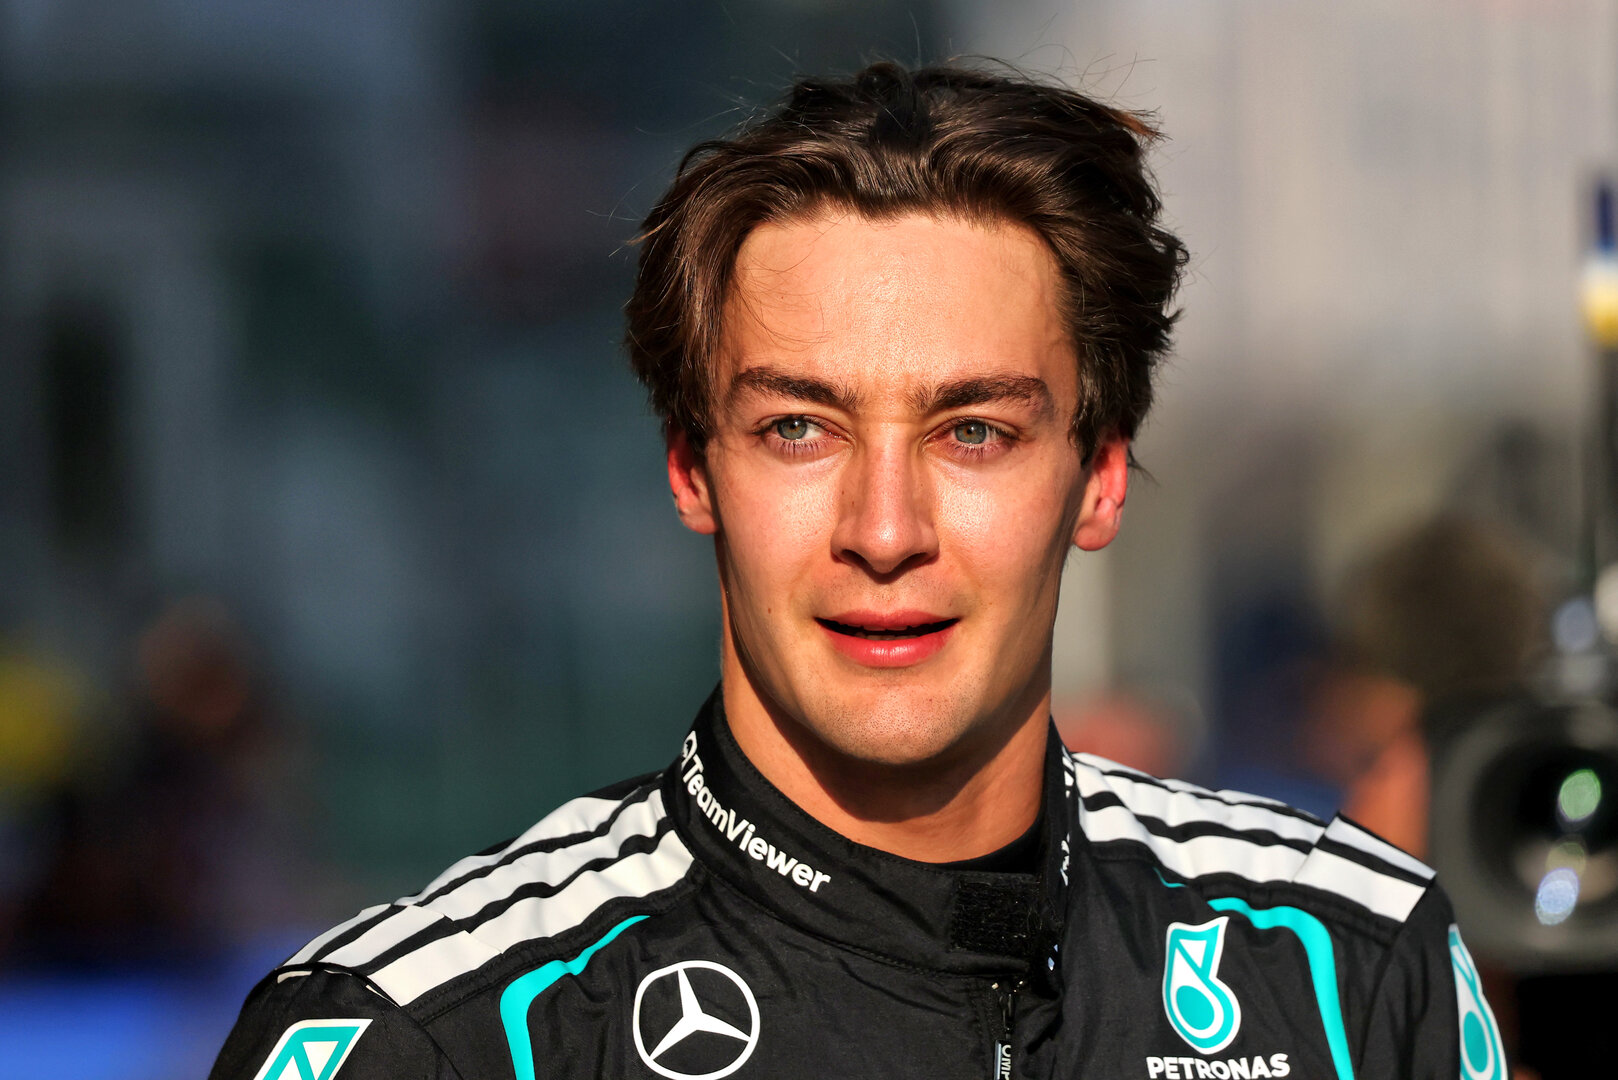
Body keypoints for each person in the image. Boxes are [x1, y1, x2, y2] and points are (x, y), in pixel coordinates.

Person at [210, 61, 1502, 1080]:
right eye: (798, 429)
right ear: (692, 469)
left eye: (973, 432)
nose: (884, 529)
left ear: (1098, 476)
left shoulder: (1352, 972)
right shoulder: (426, 1038)